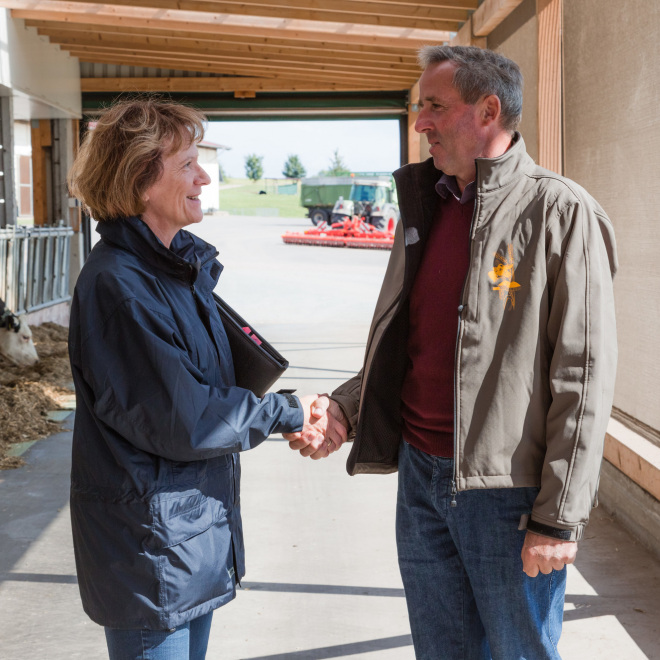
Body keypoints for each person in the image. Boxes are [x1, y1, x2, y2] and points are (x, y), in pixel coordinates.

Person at [287, 45, 618, 659]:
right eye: (420, 108)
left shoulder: (560, 211)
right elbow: (412, 345)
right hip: (420, 477)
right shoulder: (429, 204)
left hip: (506, 494)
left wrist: (558, 516)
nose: (421, 123)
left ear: (488, 111)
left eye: (435, 107)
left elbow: (585, 373)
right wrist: (345, 407)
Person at [67, 99, 327, 660]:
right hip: (151, 551)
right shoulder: (120, 286)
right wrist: (289, 413)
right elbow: (186, 417)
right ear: (140, 180)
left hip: (186, 540)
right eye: (187, 163)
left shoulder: (174, 271)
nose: (203, 176)